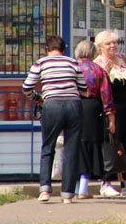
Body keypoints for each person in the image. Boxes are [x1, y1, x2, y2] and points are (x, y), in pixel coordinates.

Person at [22, 35, 86, 204]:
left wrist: (37, 98)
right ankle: (67, 195)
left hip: (51, 106)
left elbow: (26, 87)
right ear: (63, 50)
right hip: (74, 106)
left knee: (48, 147)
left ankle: (45, 190)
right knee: (71, 149)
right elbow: (83, 87)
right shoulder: (73, 62)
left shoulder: (40, 63)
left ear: (46, 49)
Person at [94, 29, 126, 196]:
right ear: (100, 46)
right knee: (112, 143)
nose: (113, 46)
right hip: (111, 109)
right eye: (109, 43)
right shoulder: (98, 63)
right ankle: (106, 182)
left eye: (115, 42)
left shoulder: (121, 59)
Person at [75, 37, 116, 198]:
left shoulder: (72, 68)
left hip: (73, 106)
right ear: (93, 52)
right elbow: (107, 97)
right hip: (93, 108)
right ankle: (84, 187)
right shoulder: (99, 70)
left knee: (76, 145)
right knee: (91, 145)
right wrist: (111, 120)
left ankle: (76, 186)